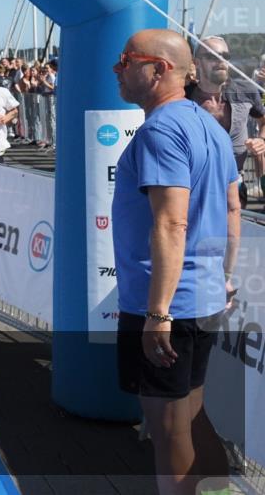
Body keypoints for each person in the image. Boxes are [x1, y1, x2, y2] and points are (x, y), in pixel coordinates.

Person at [111, 29, 239, 495]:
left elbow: (171, 224)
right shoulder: (208, 124)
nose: (118, 69)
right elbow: (232, 209)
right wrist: (222, 278)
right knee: (191, 414)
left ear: (159, 69)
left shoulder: (161, 129)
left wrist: (158, 312)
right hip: (200, 297)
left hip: (169, 304)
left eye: (127, 60)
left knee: (168, 432)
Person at [186, 36, 265, 208]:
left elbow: (263, 120)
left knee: (233, 234)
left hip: (235, 185)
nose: (221, 60)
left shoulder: (247, 90)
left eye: (225, 56)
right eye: (213, 55)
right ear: (196, 62)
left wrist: (261, 139)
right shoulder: (183, 95)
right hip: (194, 187)